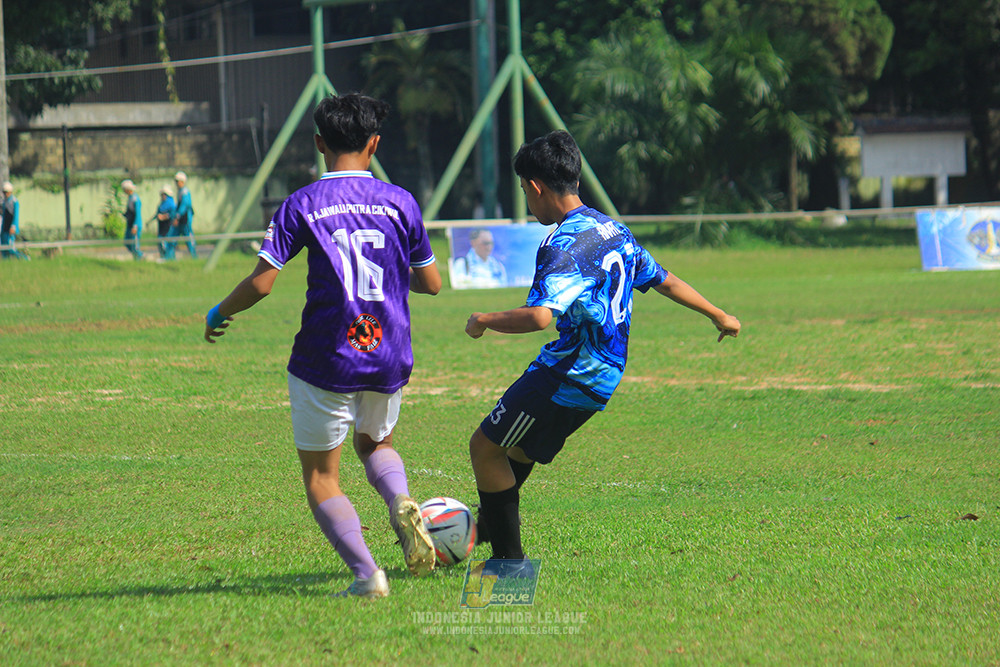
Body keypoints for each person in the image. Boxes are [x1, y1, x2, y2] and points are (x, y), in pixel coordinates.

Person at [203, 93, 443, 600]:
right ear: (374, 143)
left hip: (325, 356)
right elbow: (432, 282)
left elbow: (263, 283)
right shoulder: (401, 201)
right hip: (388, 353)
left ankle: (366, 574)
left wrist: (220, 310)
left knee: (321, 476)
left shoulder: (303, 203)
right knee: (376, 444)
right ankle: (401, 498)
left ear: (319, 144)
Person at [464, 130, 741, 563]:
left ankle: (508, 565)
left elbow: (539, 316)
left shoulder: (562, 244)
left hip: (568, 372)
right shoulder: (613, 228)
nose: (526, 198)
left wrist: (483, 320)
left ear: (536, 187)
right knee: (516, 450)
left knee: (484, 448)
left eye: (523, 190)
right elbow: (664, 280)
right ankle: (485, 528)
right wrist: (718, 314)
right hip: (604, 375)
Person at [165, 171, 196, 259]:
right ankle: (169, 257)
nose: (176, 183)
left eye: (177, 181)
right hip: (179, 219)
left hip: (185, 220)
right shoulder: (180, 192)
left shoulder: (185, 192)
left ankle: (194, 257)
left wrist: (177, 217)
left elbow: (184, 206)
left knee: (189, 240)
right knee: (172, 238)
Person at [1, 182, 27, 260]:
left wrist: (13, 227)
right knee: (4, 248)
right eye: (4, 192)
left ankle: (24, 258)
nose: (5, 194)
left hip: (11, 229)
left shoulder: (14, 202)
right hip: (5, 228)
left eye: (6, 192)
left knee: (11, 248)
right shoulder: (4, 202)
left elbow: (16, 216)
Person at [121, 180, 143, 260]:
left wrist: (135, 226)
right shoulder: (130, 198)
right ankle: (136, 257)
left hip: (135, 225)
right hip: (130, 225)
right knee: (127, 242)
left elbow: (137, 214)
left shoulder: (135, 199)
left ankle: (140, 257)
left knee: (135, 245)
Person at [154, 185, 177, 259]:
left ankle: (168, 258)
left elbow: (172, 215)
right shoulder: (161, 204)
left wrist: (164, 217)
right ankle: (163, 256)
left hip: (168, 227)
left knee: (166, 243)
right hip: (161, 227)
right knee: (160, 242)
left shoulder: (171, 204)